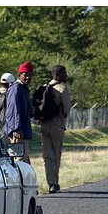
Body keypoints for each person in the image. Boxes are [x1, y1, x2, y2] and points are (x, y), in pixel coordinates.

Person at [39, 65, 71, 193]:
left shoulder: (43, 88)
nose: (66, 76)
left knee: (47, 156)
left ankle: (50, 182)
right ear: (58, 75)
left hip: (44, 125)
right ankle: (55, 183)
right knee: (56, 154)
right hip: (57, 125)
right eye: (64, 73)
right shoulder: (62, 89)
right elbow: (66, 110)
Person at [5, 61, 34, 164]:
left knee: (25, 163)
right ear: (19, 75)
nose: (28, 77)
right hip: (17, 133)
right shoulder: (16, 89)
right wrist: (16, 129)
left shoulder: (23, 89)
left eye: (30, 75)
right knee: (19, 161)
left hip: (23, 132)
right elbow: (13, 110)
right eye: (25, 75)